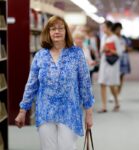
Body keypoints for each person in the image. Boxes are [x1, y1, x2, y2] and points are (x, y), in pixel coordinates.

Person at [15, 16, 94, 150]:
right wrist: (23, 110)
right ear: (48, 32)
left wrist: (89, 113)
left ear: (66, 31)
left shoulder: (76, 54)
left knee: (67, 147)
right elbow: (31, 85)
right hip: (45, 112)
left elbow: (85, 84)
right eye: (53, 29)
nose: (57, 32)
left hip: (69, 111)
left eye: (60, 28)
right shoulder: (40, 56)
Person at [98, 21, 123, 112]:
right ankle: (104, 106)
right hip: (104, 62)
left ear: (108, 28)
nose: (102, 29)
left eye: (103, 27)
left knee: (112, 85)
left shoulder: (115, 38)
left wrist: (110, 50)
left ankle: (116, 102)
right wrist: (103, 50)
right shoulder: (103, 37)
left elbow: (120, 53)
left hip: (113, 64)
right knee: (102, 83)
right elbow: (101, 51)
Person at [110, 22, 131, 100]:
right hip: (114, 58)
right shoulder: (112, 38)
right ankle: (113, 94)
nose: (119, 30)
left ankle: (118, 93)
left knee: (121, 77)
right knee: (114, 76)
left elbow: (129, 48)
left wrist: (126, 48)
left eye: (120, 29)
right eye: (117, 29)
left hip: (123, 58)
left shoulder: (124, 38)